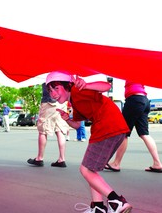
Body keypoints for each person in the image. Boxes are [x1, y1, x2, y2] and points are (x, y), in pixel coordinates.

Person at [46, 71, 132, 213]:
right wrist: (67, 118)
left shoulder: (78, 90)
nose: (53, 93)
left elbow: (105, 86)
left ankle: (117, 201)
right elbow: (78, 125)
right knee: (90, 169)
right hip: (115, 128)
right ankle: (98, 207)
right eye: (50, 90)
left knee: (85, 170)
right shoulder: (74, 101)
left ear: (68, 85)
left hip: (107, 127)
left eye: (56, 88)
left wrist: (86, 85)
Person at [106, 81, 162, 173]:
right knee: (144, 134)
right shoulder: (141, 71)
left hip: (134, 99)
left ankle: (116, 164)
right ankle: (157, 163)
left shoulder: (131, 67)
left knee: (124, 133)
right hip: (144, 100)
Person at [27, 83, 69, 168]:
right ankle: (62, 159)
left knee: (43, 130)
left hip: (49, 103)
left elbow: (33, 82)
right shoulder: (63, 72)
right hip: (62, 102)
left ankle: (39, 158)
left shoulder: (47, 73)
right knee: (60, 130)